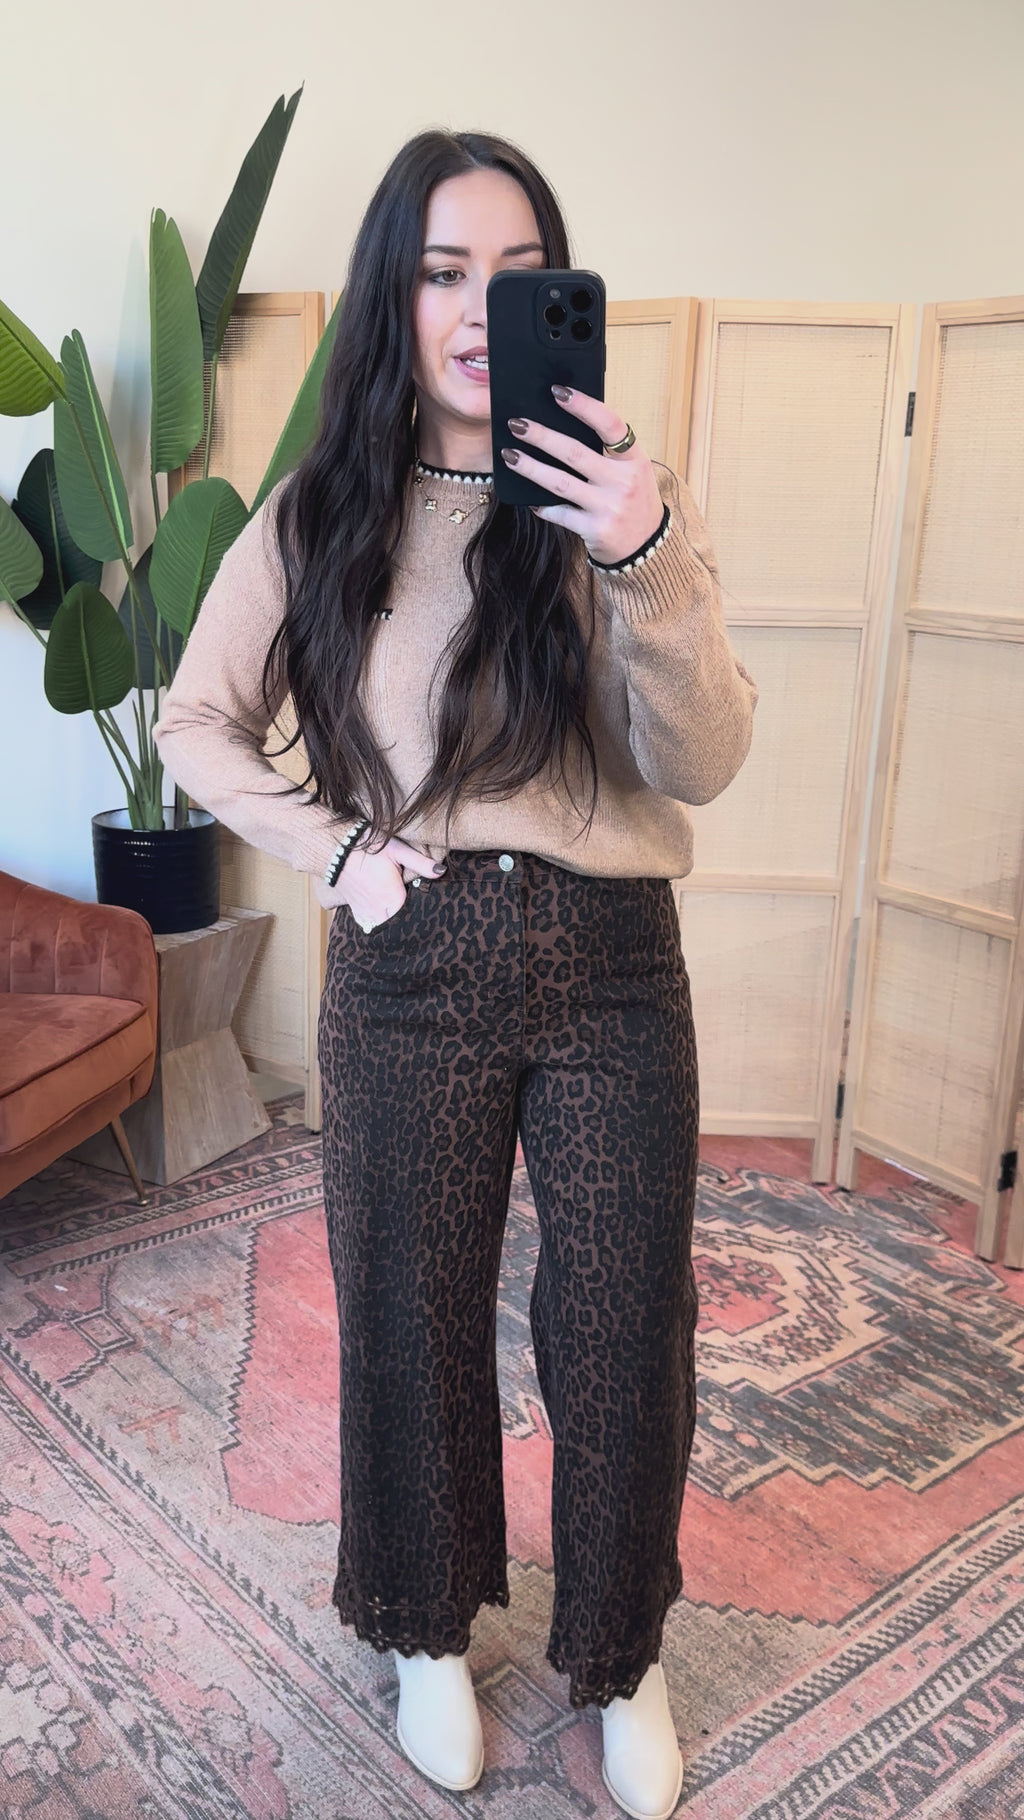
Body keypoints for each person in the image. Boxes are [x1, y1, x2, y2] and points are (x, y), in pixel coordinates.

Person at [153, 128, 758, 1820]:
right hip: (410, 960)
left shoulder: (621, 497)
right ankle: (425, 1630)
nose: (482, 311)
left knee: (625, 1323)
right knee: (410, 1312)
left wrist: (640, 550)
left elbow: (704, 760)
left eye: (518, 276)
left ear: (564, 299)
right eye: (443, 274)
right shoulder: (322, 512)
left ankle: (620, 1655)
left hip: (613, 966)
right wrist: (336, 849)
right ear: (393, 298)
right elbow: (196, 721)